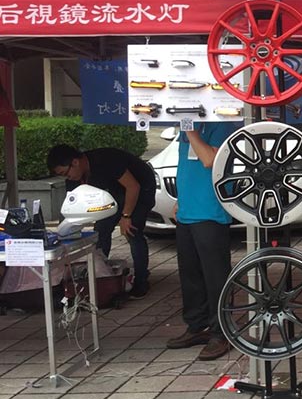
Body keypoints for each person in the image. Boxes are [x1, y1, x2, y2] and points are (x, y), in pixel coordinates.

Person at [165, 122, 239, 361]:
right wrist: (180, 199)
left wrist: (190, 131)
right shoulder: (187, 127)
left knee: (215, 276)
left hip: (210, 212)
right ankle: (196, 325)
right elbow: (185, 166)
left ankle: (221, 332)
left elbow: (209, 160)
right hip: (187, 212)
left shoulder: (221, 125)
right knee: (190, 274)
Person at [48, 144, 156, 298]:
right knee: (101, 230)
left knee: (132, 231)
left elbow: (133, 187)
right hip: (112, 195)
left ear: (75, 162)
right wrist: (66, 231)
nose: (68, 178)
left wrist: (126, 216)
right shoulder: (74, 179)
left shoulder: (106, 160)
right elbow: (70, 208)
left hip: (140, 188)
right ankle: (100, 276)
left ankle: (141, 280)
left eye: (66, 173)